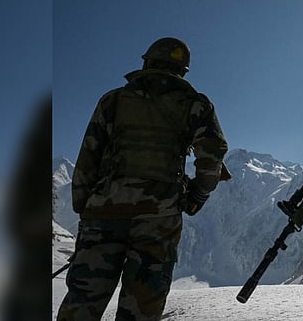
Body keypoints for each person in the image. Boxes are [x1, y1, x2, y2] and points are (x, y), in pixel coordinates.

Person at [57, 37, 229, 321]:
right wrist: (196, 196)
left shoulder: (113, 100)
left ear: (147, 62)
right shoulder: (196, 105)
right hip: (159, 219)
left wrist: (86, 209)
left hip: (104, 212)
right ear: (183, 70)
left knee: (82, 302)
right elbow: (213, 154)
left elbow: (88, 156)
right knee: (142, 307)